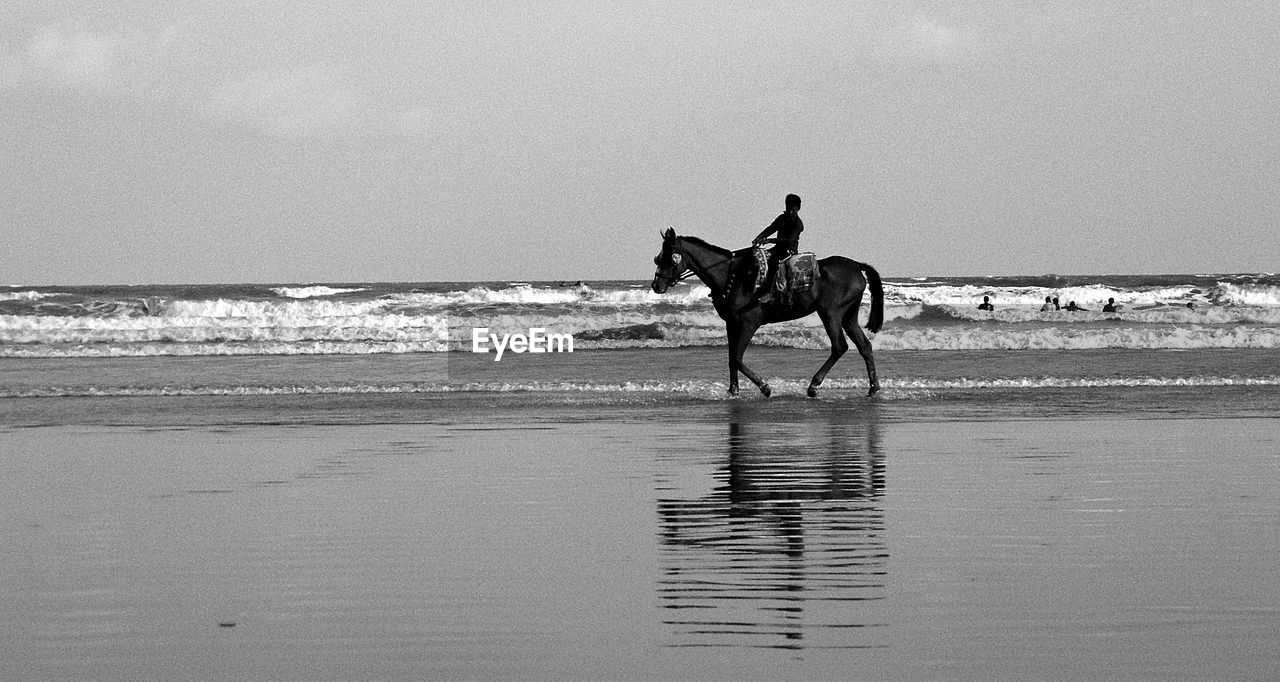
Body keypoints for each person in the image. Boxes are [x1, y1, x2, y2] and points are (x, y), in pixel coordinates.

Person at [750, 194, 805, 304]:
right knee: (757, 258)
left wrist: (769, 241)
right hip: (778, 248)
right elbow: (771, 228)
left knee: (774, 262)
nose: (790, 212)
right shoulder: (781, 218)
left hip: (789, 251)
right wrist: (760, 237)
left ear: (798, 209)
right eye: (789, 209)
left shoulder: (798, 224)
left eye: (793, 209)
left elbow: (789, 241)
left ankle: (769, 292)